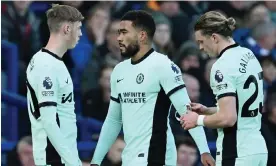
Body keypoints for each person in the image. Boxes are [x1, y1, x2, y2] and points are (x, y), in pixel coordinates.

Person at [90, 10, 215, 166]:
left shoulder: (163, 66)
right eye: (118, 33)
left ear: (142, 36)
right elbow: (113, 120)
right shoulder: (119, 70)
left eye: (124, 33)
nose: (119, 38)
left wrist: (204, 150)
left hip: (158, 154)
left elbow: (186, 111)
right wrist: (96, 159)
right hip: (130, 156)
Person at [180, 11, 268, 166]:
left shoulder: (221, 66)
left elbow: (228, 118)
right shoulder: (248, 55)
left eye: (201, 41)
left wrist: (198, 120)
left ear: (214, 37)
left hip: (237, 151)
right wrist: (208, 110)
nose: (200, 47)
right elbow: (241, 110)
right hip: (257, 148)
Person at [26, 4, 83, 166]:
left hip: (61, 156)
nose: (80, 34)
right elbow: (49, 121)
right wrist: (72, 161)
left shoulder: (52, 61)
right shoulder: (46, 65)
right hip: (54, 157)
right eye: (78, 28)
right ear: (66, 29)